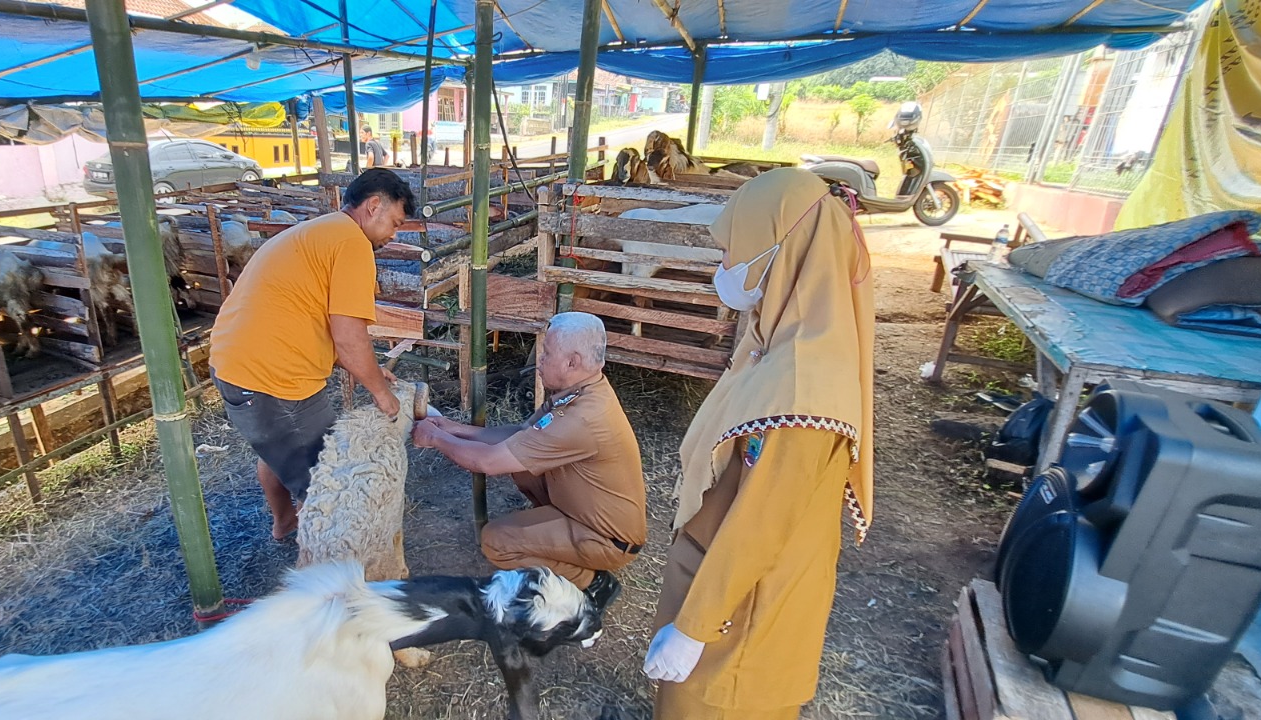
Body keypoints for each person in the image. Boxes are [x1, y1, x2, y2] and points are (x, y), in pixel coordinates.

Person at [640, 167, 875, 719]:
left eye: (733, 252)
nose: (724, 269)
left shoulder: (802, 391)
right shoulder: (779, 343)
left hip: (741, 617)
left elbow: (761, 521)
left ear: (781, 251)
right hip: (726, 590)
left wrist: (694, 629)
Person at [209, 168, 415, 540]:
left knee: (280, 448)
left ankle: (286, 522)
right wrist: (382, 396)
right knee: (326, 480)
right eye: (395, 223)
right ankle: (324, 558)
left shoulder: (320, 232)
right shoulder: (352, 243)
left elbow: (309, 315)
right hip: (273, 378)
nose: (393, 235)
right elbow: (349, 335)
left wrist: (366, 369)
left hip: (236, 364)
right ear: (372, 207)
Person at [411, 312, 644, 610]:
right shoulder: (580, 392)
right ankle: (557, 537)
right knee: (524, 469)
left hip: (607, 538)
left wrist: (435, 438)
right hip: (585, 514)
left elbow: (490, 463)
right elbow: (521, 435)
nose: (540, 361)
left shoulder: (584, 417)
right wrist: (455, 429)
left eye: (547, 353)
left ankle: (593, 582)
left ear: (572, 362)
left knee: (496, 541)